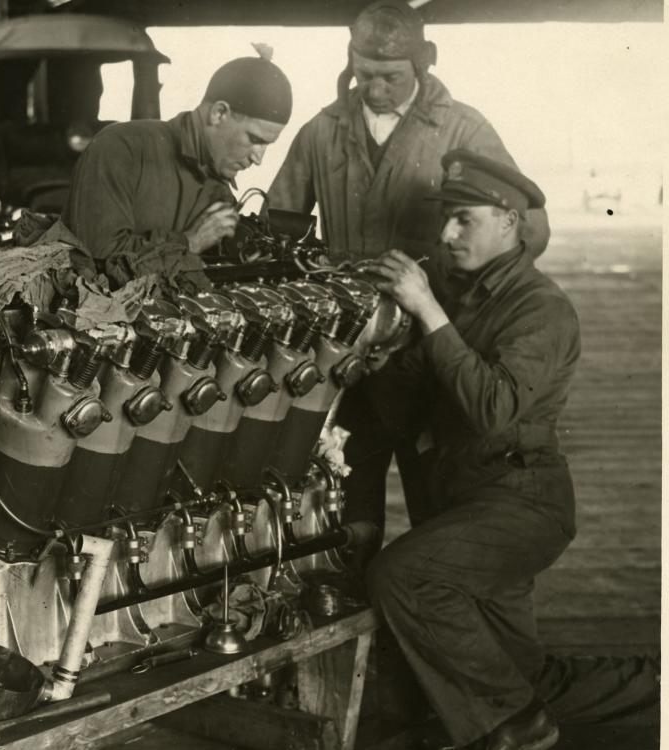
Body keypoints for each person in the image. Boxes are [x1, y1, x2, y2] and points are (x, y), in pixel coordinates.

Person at [269, 0, 550, 552]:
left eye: (390, 77)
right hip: (345, 355)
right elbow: (279, 231)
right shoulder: (321, 132)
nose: (374, 88)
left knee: (439, 502)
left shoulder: (463, 128)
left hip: (434, 353)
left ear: (425, 63)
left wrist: (462, 299)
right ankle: (349, 614)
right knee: (342, 496)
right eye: (363, 73)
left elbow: (530, 230)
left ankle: (425, 610)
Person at [364, 150, 579, 750]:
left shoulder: (541, 307)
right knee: (524, 674)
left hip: (521, 503)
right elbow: (408, 408)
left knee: (402, 578)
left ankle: (517, 728)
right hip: (467, 502)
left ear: (509, 221)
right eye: (446, 220)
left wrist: (427, 310)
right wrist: (380, 359)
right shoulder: (470, 299)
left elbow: (490, 409)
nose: (445, 234)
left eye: (464, 219)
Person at [63, 55, 293, 288]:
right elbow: (95, 257)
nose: (258, 158)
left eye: (266, 145)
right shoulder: (121, 148)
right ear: (219, 113)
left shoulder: (219, 189)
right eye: (254, 139)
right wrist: (188, 243)